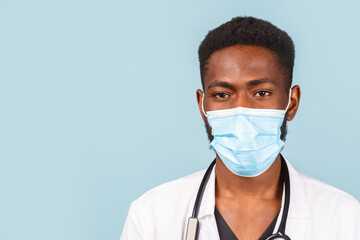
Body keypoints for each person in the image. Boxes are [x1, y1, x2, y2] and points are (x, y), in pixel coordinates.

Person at [120, 16, 360, 240]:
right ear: (202, 106)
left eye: (261, 93)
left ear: (292, 102)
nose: (241, 109)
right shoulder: (151, 215)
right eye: (222, 94)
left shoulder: (344, 217)